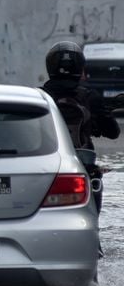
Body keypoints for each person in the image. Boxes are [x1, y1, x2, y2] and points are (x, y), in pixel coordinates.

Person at [42, 40, 120, 212]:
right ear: (79, 67)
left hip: (45, 164)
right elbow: (113, 132)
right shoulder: (91, 97)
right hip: (83, 165)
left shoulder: (41, 96)